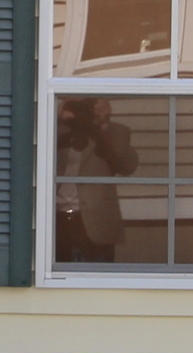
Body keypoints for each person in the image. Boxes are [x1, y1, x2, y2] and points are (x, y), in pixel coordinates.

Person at [53, 97, 140, 264]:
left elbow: (128, 166)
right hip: (57, 217)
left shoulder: (114, 132)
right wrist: (57, 116)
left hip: (95, 223)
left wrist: (103, 124)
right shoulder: (57, 130)